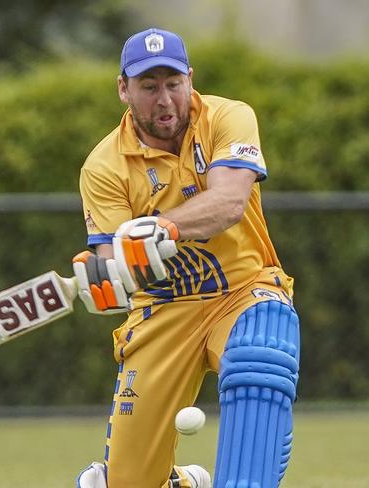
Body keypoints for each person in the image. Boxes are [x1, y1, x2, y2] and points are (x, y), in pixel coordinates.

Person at [72, 28, 300, 488]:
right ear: (124, 89)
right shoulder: (103, 167)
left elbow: (229, 203)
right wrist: (106, 277)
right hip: (162, 312)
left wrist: (162, 228)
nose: (164, 100)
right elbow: (116, 262)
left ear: (189, 80)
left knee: (260, 357)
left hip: (245, 290)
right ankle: (180, 483)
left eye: (173, 84)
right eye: (148, 86)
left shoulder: (228, 118)